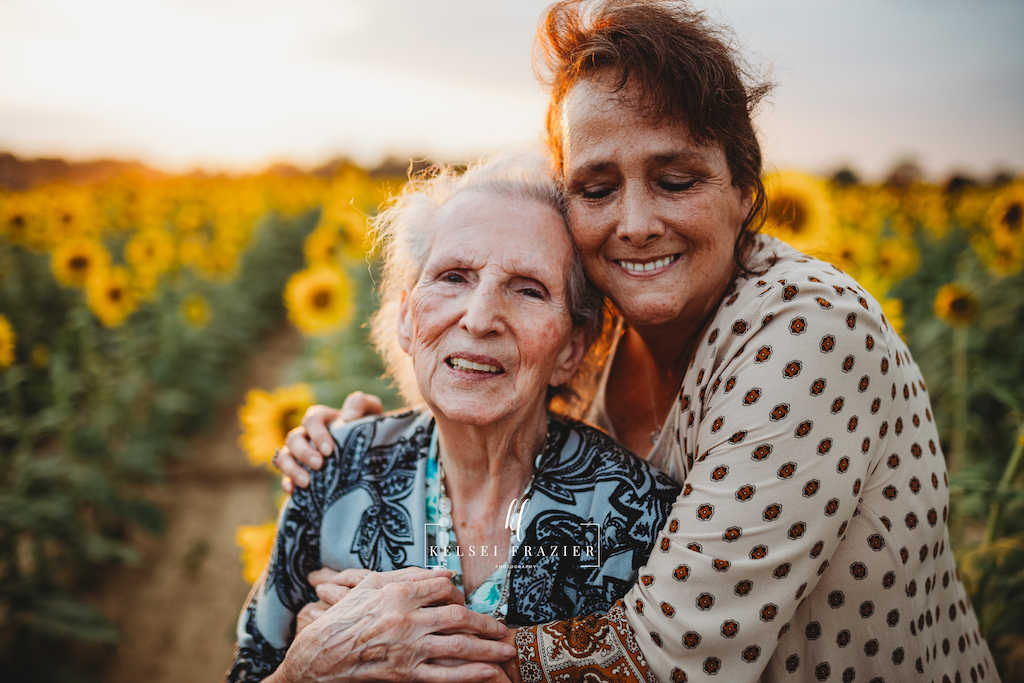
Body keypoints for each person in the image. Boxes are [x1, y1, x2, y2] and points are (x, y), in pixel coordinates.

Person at [276, 1, 1000, 682]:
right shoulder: (612, 313)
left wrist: (402, 643)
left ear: (744, 189)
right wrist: (358, 447)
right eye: (595, 188)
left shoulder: (807, 330)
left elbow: (673, 653)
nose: (635, 221)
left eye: (675, 179)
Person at [226, 150, 680, 682]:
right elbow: (251, 669)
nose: (481, 317)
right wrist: (304, 670)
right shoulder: (333, 468)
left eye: (528, 289)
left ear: (571, 349)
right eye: (454, 277)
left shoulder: (641, 518)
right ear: (406, 318)